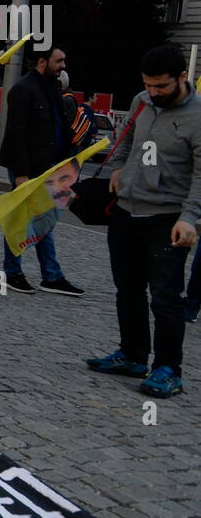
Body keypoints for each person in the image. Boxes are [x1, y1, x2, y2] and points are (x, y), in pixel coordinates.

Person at [86, 45, 199, 399]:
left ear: (182, 77)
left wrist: (190, 218)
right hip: (126, 211)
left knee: (166, 298)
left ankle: (168, 369)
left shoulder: (198, 116)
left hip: (166, 218)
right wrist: (118, 166)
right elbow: (124, 142)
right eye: (148, 85)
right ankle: (133, 355)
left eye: (161, 87)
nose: (153, 93)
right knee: (128, 290)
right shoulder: (140, 101)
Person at [0, 46, 84, 296]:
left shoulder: (52, 88)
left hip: (52, 170)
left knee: (46, 222)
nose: (63, 66)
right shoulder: (23, 89)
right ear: (43, 61)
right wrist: (21, 173)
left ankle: (51, 276)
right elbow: (15, 134)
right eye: (59, 60)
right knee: (20, 223)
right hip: (29, 170)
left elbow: (60, 129)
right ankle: (13, 273)